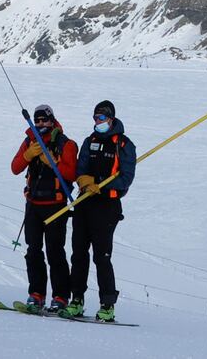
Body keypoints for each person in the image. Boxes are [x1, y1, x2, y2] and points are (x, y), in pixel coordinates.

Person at [62, 100, 135, 322]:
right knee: (78, 254)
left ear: (111, 119)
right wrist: (84, 181)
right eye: (95, 118)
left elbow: (126, 178)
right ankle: (77, 300)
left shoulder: (123, 144)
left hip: (107, 207)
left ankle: (107, 305)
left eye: (102, 118)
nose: (98, 122)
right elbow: (80, 168)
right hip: (85, 202)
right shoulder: (89, 141)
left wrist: (100, 183)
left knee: (102, 257)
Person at [9, 104, 78, 313]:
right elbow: (15, 168)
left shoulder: (66, 144)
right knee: (33, 251)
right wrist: (28, 155)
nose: (40, 124)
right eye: (37, 121)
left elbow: (71, 174)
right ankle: (36, 294)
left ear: (52, 120)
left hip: (56, 206)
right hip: (33, 205)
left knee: (55, 252)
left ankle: (61, 296)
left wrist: (52, 161)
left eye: (44, 121)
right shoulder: (29, 141)